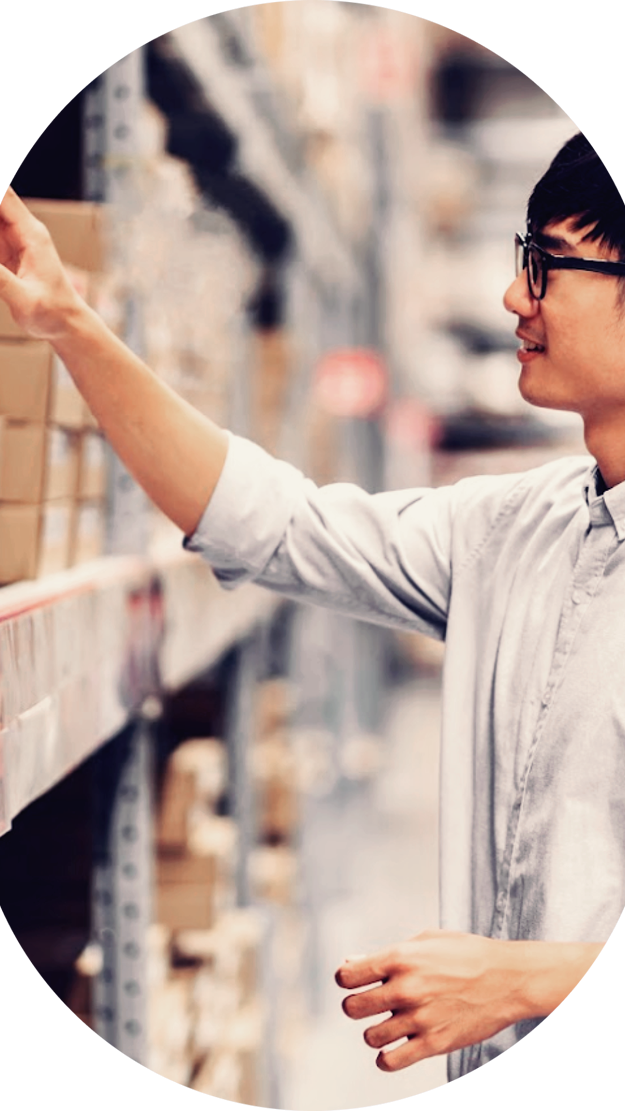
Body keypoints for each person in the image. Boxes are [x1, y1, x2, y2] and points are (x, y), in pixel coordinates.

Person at [0, 129, 623, 1082]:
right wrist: (69, 325)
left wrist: (535, 982)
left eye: (544, 265)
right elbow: (271, 522)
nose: (512, 297)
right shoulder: (518, 530)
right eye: (518, 262)